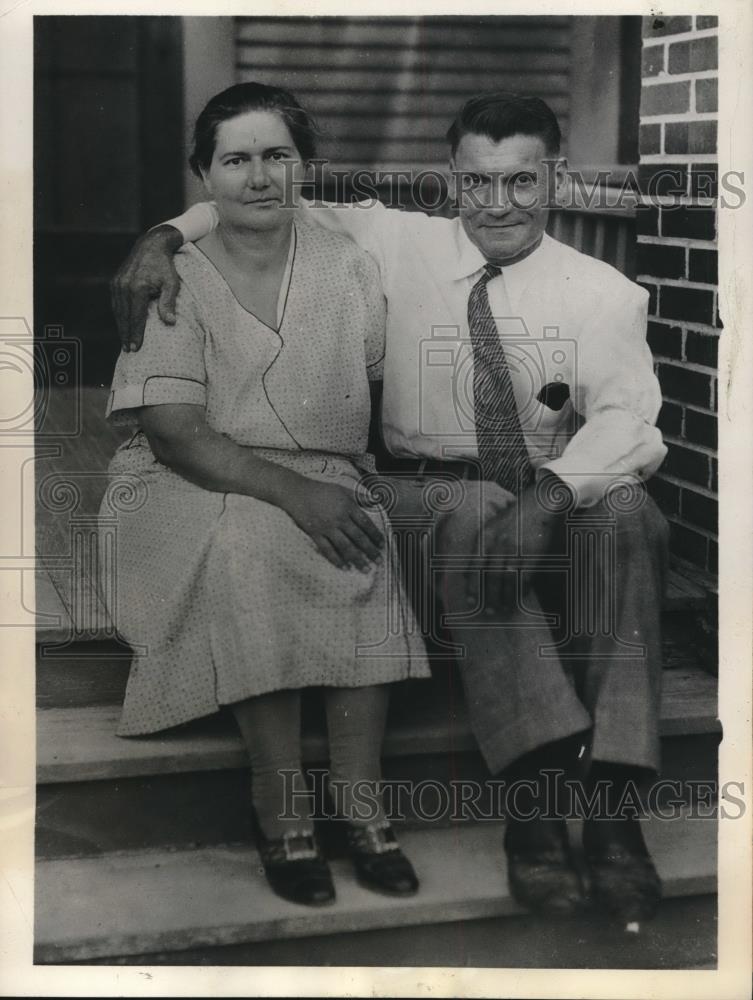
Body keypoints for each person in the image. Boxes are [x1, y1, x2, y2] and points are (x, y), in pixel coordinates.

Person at [111, 91, 669, 925]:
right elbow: (258, 197)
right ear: (452, 181)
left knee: (630, 514)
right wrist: (161, 236)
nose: (498, 204)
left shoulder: (602, 290)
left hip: (541, 488)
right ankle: (534, 804)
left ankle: (618, 811)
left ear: (556, 178)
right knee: (477, 507)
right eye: (477, 183)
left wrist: (551, 494)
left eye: (521, 181)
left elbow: (629, 419)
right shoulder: (391, 238)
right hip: (417, 494)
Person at [101, 81, 432, 908]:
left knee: (358, 534)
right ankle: (279, 807)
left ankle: (360, 805)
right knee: (255, 539)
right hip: (182, 478)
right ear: (203, 177)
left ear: (303, 166)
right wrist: (293, 492)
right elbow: (176, 432)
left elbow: (373, 388)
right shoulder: (172, 277)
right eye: (235, 159)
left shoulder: (348, 264)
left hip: (318, 468)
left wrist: (339, 486)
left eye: (276, 156)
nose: (258, 177)